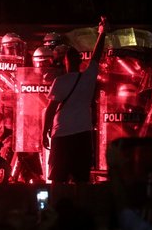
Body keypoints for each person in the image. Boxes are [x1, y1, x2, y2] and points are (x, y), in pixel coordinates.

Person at [42, 16, 107, 190]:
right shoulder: (88, 77)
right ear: (80, 60)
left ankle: (56, 210)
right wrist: (102, 32)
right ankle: (81, 211)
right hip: (82, 135)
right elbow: (97, 55)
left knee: (57, 179)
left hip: (61, 135)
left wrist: (44, 133)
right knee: (82, 179)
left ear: (65, 61)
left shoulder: (60, 82)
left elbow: (50, 110)